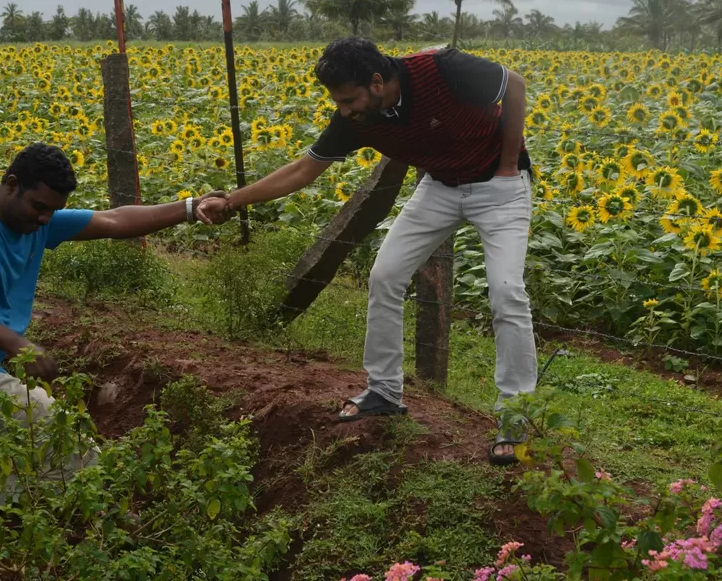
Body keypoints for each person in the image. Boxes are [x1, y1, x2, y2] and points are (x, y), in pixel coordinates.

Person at [198, 37, 536, 465]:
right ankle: (384, 390)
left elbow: (515, 85)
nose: (344, 110)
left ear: (377, 81)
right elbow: (303, 170)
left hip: (500, 187)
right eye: (338, 102)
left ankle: (516, 414)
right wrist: (231, 201)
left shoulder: (443, 68)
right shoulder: (358, 119)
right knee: (385, 276)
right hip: (440, 187)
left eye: (349, 99)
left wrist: (508, 165)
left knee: (506, 293)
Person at [0, 143, 225, 508]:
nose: (45, 219)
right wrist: (18, 344)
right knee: (65, 438)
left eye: (53, 211)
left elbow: (115, 220)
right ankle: (102, 523)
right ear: (11, 184)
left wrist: (190, 207)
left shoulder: (32, 222)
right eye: (40, 207)